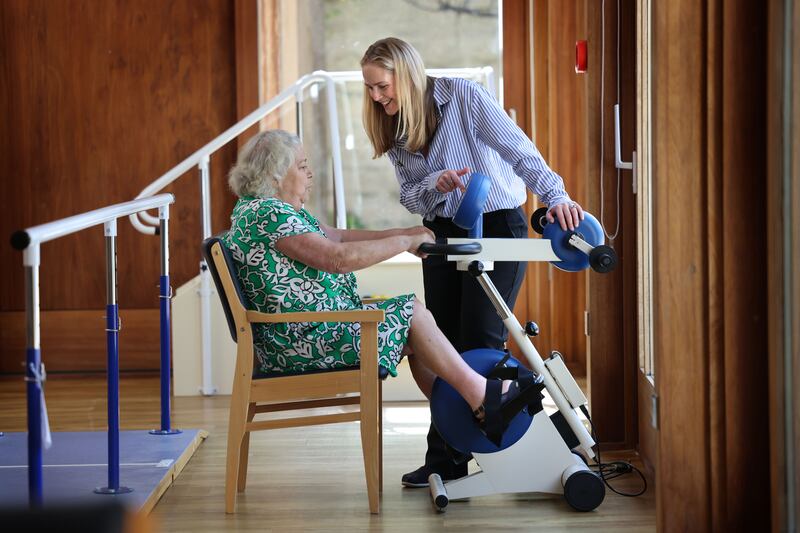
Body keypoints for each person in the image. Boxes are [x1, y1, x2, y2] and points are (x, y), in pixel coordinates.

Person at [360, 37, 585, 487]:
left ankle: (509, 452)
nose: (376, 97)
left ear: (405, 76)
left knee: (481, 343)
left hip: (498, 224)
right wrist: (435, 185)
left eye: (382, 86)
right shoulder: (394, 125)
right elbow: (409, 194)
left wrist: (555, 194)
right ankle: (445, 461)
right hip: (442, 231)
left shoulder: (463, 95)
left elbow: (516, 148)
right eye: (369, 88)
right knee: (439, 347)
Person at [222, 128, 529, 444]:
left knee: (416, 323)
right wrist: (404, 242)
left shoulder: (264, 210)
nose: (309, 173)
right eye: (301, 166)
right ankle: (482, 400)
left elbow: (339, 237)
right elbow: (338, 259)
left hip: (308, 334)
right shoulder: (268, 214)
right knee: (411, 313)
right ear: (275, 176)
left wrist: (405, 233)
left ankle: (460, 418)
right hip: (303, 343)